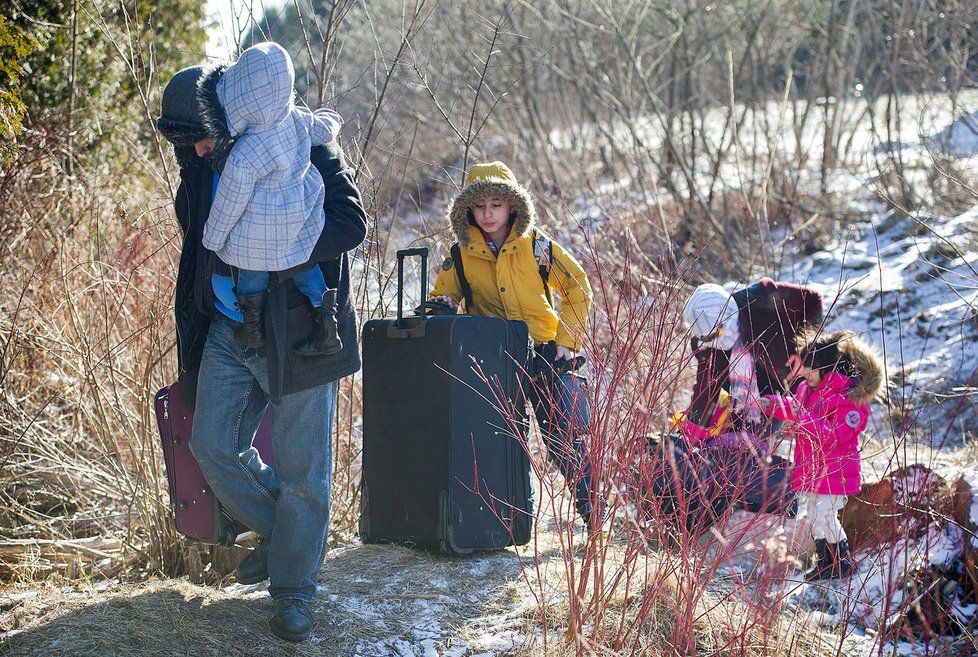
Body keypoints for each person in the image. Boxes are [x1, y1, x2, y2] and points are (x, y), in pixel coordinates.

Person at [155, 50, 367, 642]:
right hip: (228, 328)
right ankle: (285, 537)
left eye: (200, 138)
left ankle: (293, 592)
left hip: (301, 332)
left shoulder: (306, 144)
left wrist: (278, 245)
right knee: (211, 445)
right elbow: (198, 255)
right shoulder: (202, 167)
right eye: (185, 142)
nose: (195, 150)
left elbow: (351, 223)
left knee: (305, 474)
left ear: (224, 120)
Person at [427, 162, 601, 531]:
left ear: (512, 207)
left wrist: (567, 342)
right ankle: (511, 523)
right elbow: (444, 297)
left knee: (564, 440)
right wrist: (440, 308)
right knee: (503, 441)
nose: (488, 214)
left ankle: (595, 518)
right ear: (467, 210)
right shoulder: (461, 253)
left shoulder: (536, 245)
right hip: (490, 358)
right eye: (479, 206)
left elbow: (578, 287)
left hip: (546, 355)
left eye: (496, 204)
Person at [648, 280, 824, 537]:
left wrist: (807, 351)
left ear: (728, 315)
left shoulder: (763, 300)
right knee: (739, 459)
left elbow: (814, 301)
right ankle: (707, 526)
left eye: (717, 333)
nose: (715, 341)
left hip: (786, 385)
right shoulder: (708, 344)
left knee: (789, 444)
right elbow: (706, 387)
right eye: (707, 338)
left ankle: (807, 494)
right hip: (744, 402)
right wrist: (695, 429)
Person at [200, 41, 344, 356]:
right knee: (305, 268)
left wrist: (213, 239)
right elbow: (324, 129)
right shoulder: (298, 120)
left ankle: (253, 327)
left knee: (250, 270)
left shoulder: (245, 153)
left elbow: (229, 203)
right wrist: (332, 117)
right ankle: (327, 324)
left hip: (258, 233)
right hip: (299, 220)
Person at [761, 330, 883, 580]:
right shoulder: (808, 389)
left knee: (825, 516)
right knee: (816, 517)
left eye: (809, 367)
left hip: (835, 470)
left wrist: (799, 415)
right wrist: (771, 403)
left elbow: (834, 435)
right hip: (813, 468)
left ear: (826, 368)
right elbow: (794, 409)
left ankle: (842, 562)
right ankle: (826, 563)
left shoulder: (851, 397)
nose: (803, 372)